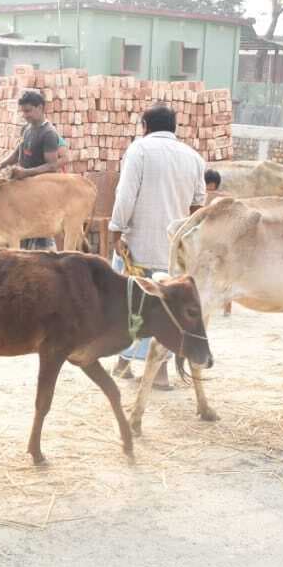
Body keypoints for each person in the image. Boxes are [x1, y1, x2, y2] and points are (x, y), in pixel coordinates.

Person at [109, 104, 207, 388]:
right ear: (174, 127)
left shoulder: (139, 150)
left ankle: (139, 368)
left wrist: (116, 230)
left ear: (145, 126)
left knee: (131, 306)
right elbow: (198, 205)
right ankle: (139, 368)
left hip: (139, 243)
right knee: (167, 309)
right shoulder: (193, 157)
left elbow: (125, 194)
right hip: (174, 248)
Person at [0, 89, 61, 249]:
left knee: (41, 237)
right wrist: (0, 165)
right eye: (23, 111)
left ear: (41, 108)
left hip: (40, 194)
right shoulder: (27, 129)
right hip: (24, 192)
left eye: (28, 111)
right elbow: (18, 153)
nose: (25, 115)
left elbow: (52, 166)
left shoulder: (49, 133)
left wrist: (25, 173)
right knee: (21, 233)